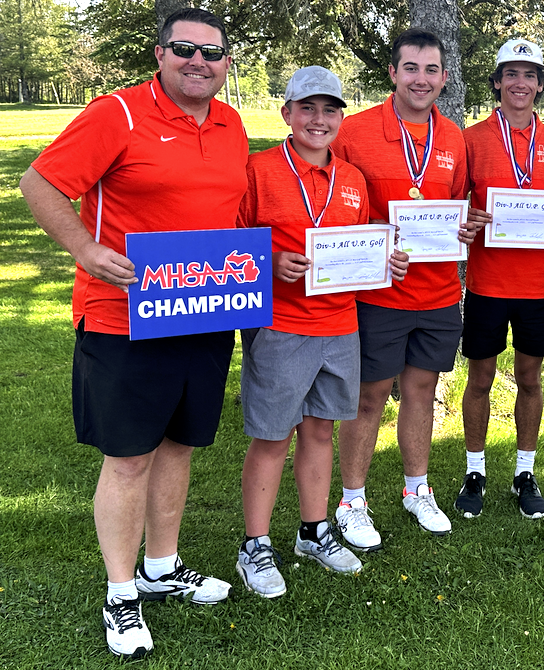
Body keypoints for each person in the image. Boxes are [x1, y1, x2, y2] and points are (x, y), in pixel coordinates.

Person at [19, 8, 246, 658]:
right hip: (123, 317)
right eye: (185, 48)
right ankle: (121, 593)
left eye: (212, 52)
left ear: (226, 62)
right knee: (128, 458)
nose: (199, 62)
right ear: (160, 53)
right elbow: (39, 182)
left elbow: (225, 210)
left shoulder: (231, 124)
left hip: (205, 309)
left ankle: (162, 567)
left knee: (178, 445)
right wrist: (85, 249)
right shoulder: (115, 113)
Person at [235, 67, 409, 597]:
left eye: (330, 109)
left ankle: (313, 531)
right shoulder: (259, 170)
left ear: (340, 118)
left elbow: (360, 245)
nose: (318, 119)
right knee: (273, 437)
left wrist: (386, 260)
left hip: (340, 325)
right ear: (286, 113)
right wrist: (269, 261)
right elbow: (229, 242)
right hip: (281, 326)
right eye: (307, 108)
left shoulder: (352, 178)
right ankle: (255, 546)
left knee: (319, 431)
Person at [331, 28, 475, 549]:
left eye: (431, 69)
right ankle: (351, 501)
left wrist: (463, 228)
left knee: (422, 391)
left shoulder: (453, 138)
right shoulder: (355, 132)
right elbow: (334, 205)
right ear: (392, 72)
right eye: (410, 68)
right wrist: (373, 242)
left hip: (438, 293)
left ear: (444, 77)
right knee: (369, 397)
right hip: (378, 294)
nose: (421, 79)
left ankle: (418, 489)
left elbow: (455, 205)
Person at [456, 39, 544, 520]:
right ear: (497, 82)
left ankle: (525, 472)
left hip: (536, 286)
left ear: (540, 85)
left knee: (530, 377)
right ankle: (475, 470)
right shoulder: (471, 139)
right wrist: (467, 217)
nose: (520, 83)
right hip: (486, 283)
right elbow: (452, 204)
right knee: (480, 378)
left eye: (529, 75)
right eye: (511, 74)